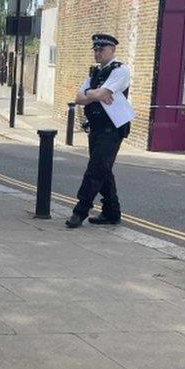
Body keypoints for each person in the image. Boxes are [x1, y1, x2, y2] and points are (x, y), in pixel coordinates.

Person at [66, 34, 132, 228]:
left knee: (95, 170)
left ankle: (80, 211)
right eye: (95, 49)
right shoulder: (93, 73)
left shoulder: (120, 70)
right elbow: (78, 98)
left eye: (101, 49)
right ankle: (112, 212)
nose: (97, 52)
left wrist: (93, 94)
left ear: (112, 50)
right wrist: (93, 95)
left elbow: (104, 93)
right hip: (95, 127)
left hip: (112, 128)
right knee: (104, 170)